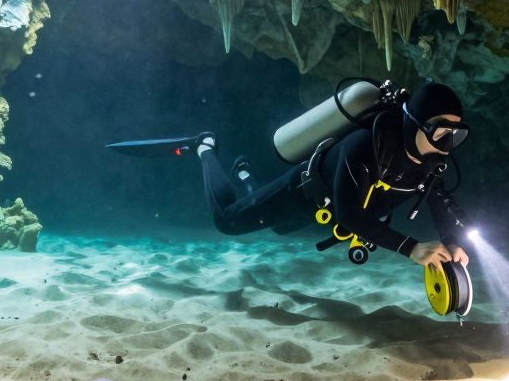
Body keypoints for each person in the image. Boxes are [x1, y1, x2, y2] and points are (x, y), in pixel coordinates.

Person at [193, 82, 471, 270]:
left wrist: (452, 240)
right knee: (227, 221)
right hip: (301, 193)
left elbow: (440, 200)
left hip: (323, 212)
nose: (446, 143)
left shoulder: (432, 163)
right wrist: (411, 248)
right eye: (440, 131)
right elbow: (349, 215)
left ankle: (245, 176)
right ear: (415, 124)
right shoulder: (366, 145)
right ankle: (206, 148)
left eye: (455, 135)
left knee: (277, 227)